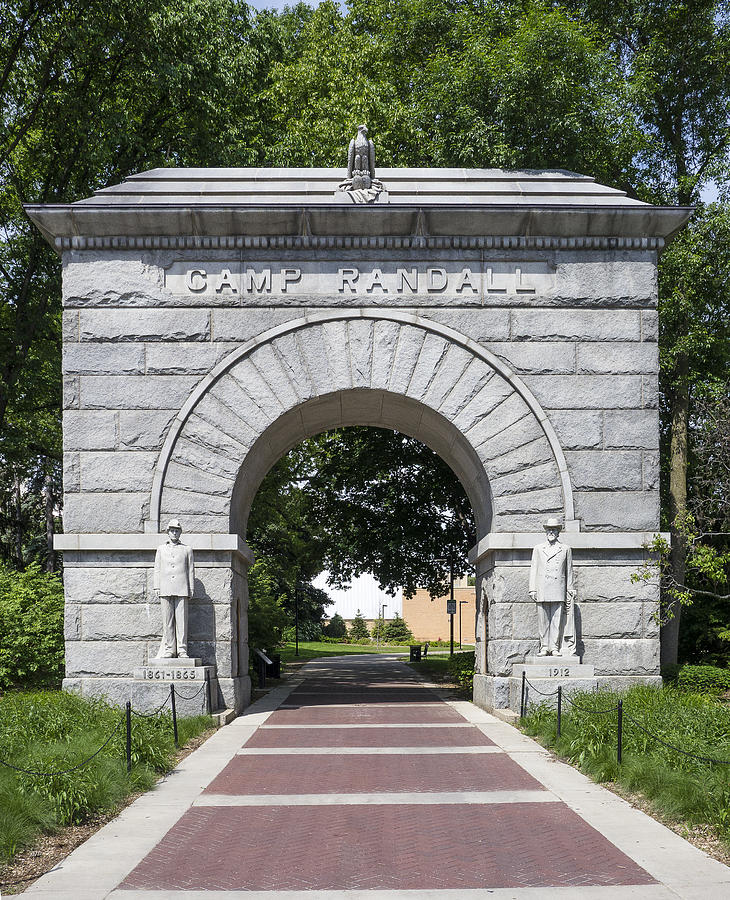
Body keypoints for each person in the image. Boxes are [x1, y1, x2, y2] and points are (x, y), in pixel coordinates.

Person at [528, 517, 577, 657]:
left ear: (558, 532)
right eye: (549, 529)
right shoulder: (538, 549)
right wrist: (532, 588)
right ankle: (544, 647)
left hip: (558, 588)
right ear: (545, 531)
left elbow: (569, 570)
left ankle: (554, 647)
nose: (551, 532)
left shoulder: (566, 549)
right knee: (542, 620)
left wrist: (570, 588)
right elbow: (534, 568)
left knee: (557, 620)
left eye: (554, 529)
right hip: (542, 588)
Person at [154, 519, 194, 659]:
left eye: (177, 530)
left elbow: (190, 570)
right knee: (168, 620)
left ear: (180, 532)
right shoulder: (161, 549)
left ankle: (182, 649)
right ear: (168, 532)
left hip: (182, 587)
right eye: (172, 530)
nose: (174, 533)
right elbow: (157, 569)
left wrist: (191, 588)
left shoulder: (187, 549)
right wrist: (156, 586)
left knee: (182, 620)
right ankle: (169, 649)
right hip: (165, 587)